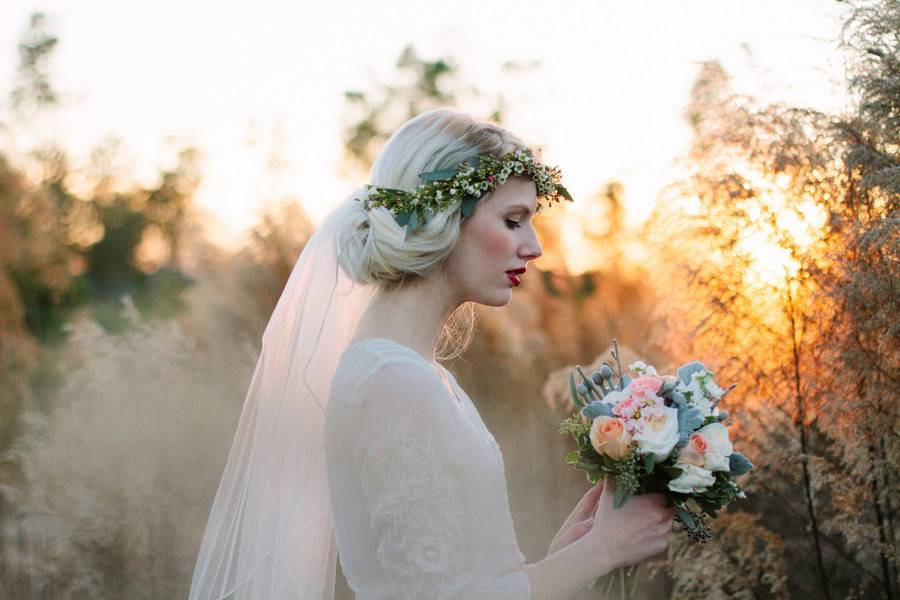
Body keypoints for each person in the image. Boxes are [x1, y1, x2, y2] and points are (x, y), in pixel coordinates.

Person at [188, 108, 673, 600]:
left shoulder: (414, 371)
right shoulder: (394, 381)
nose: (534, 247)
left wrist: (568, 555)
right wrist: (603, 551)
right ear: (442, 218)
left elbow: (457, 577)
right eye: (512, 221)